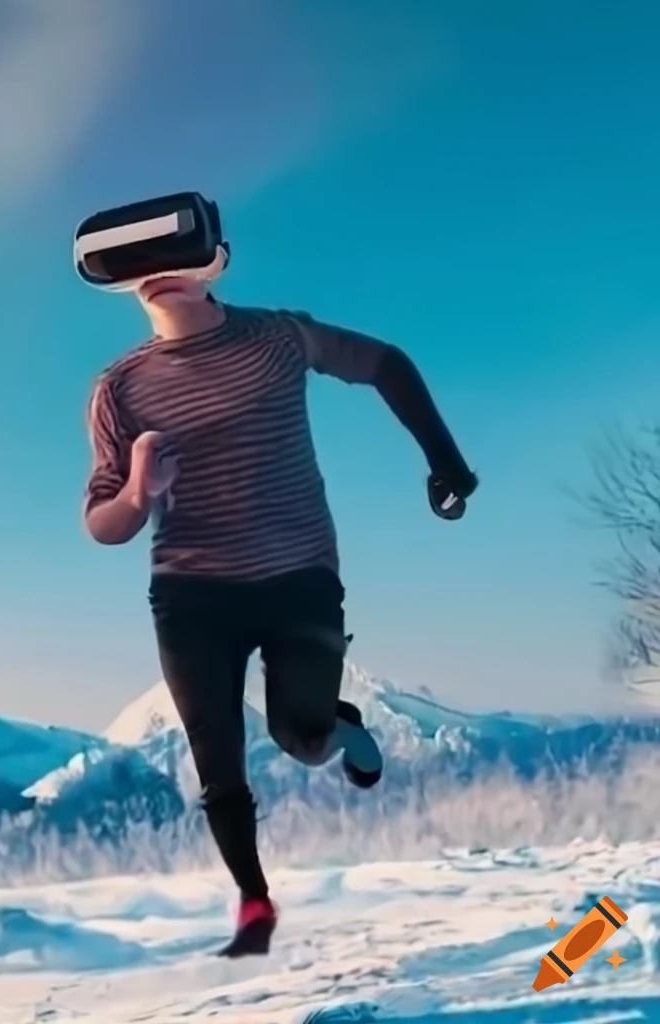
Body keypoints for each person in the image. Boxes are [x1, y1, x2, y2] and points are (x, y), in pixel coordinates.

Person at [75, 191, 478, 957]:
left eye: (175, 254)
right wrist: (137, 493)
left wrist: (446, 461)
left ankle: (336, 725)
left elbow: (385, 363)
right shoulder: (118, 390)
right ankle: (254, 904)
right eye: (137, 262)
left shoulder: (277, 338)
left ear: (216, 262)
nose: (158, 272)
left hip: (298, 575)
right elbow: (103, 522)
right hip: (191, 592)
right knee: (215, 755)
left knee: (301, 737)